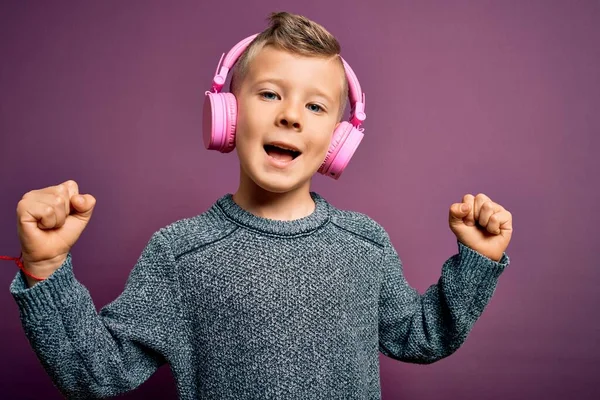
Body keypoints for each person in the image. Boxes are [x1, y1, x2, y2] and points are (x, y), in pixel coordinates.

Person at [6, 11, 512, 400]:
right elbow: (97, 374)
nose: (291, 116)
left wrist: (477, 264)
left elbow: (420, 338)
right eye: (270, 94)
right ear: (228, 113)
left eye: (315, 106)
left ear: (338, 140)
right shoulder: (179, 254)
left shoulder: (366, 244)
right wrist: (47, 269)